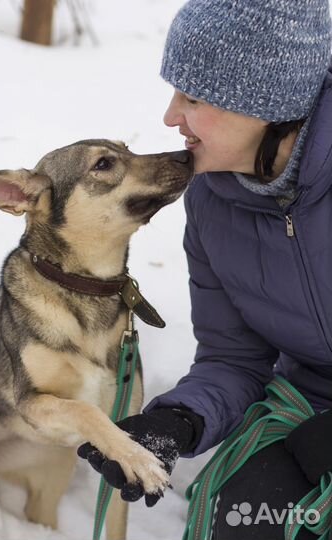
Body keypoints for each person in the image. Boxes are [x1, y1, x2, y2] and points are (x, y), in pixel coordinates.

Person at [78, 0, 332, 538]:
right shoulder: (213, 203)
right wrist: (177, 423)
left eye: (192, 97)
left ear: (263, 102)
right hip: (311, 404)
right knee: (243, 519)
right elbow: (235, 359)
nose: (170, 117)